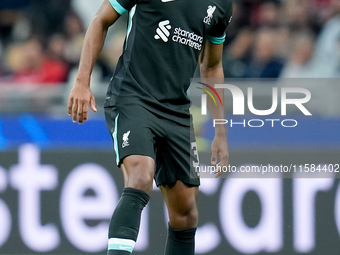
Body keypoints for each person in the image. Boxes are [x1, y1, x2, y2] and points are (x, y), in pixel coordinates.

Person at [67, 0, 232, 254]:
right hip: (133, 97)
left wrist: (220, 129)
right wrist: (81, 81)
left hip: (176, 110)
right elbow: (101, 20)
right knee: (141, 175)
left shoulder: (220, 5)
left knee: (186, 213)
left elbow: (211, 66)